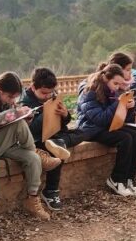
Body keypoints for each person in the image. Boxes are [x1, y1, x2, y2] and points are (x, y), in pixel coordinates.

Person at [0, 72, 50, 221]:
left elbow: (10, 117)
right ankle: (36, 150)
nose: (12, 101)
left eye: (15, 98)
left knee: (33, 158)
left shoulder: (5, 98)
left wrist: (26, 116)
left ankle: (32, 198)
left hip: (3, 142)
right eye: (10, 97)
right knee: (19, 124)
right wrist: (16, 113)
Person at [20, 67, 87, 211]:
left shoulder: (52, 96)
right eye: (44, 93)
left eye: (50, 93)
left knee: (82, 133)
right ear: (33, 87)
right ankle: (51, 191)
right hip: (38, 140)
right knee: (57, 151)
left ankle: (60, 142)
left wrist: (64, 114)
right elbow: (29, 131)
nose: (47, 96)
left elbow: (65, 122)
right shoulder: (25, 102)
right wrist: (44, 113)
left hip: (55, 134)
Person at [76, 64, 136, 196]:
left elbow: (121, 118)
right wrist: (118, 103)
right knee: (125, 138)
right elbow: (100, 119)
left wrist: (129, 107)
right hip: (91, 129)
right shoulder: (89, 92)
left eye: (119, 84)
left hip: (106, 126)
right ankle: (116, 179)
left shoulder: (112, 91)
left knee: (135, 135)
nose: (117, 87)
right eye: (115, 83)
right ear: (105, 78)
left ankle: (129, 177)